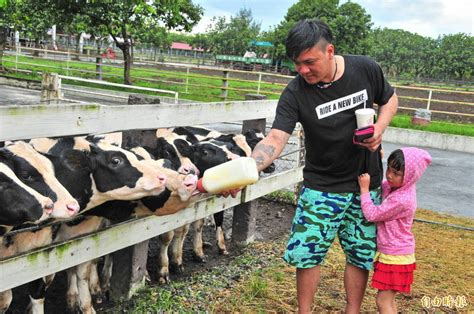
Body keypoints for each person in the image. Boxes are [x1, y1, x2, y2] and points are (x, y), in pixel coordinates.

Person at [249, 19, 398, 313]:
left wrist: (380, 127)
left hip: (364, 185)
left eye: (309, 62)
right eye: (296, 64)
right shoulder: (295, 92)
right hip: (321, 186)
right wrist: (249, 168)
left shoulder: (365, 68)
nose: (302, 70)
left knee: (359, 254)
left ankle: (351, 310)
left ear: (330, 51)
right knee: (307, 255)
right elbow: (277, 137)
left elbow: (390, 99)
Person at [358, 147, 432, 313]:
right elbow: (384, 187)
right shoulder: (399, 188)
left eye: (396, 173)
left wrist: (364, 190)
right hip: (395, 254)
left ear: (410, 176)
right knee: (388, 301)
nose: (389, 176)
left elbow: (372, 214)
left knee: (383, 301)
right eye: (389, 169)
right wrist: (376, 159)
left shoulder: (402, 200)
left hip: (395, 257)